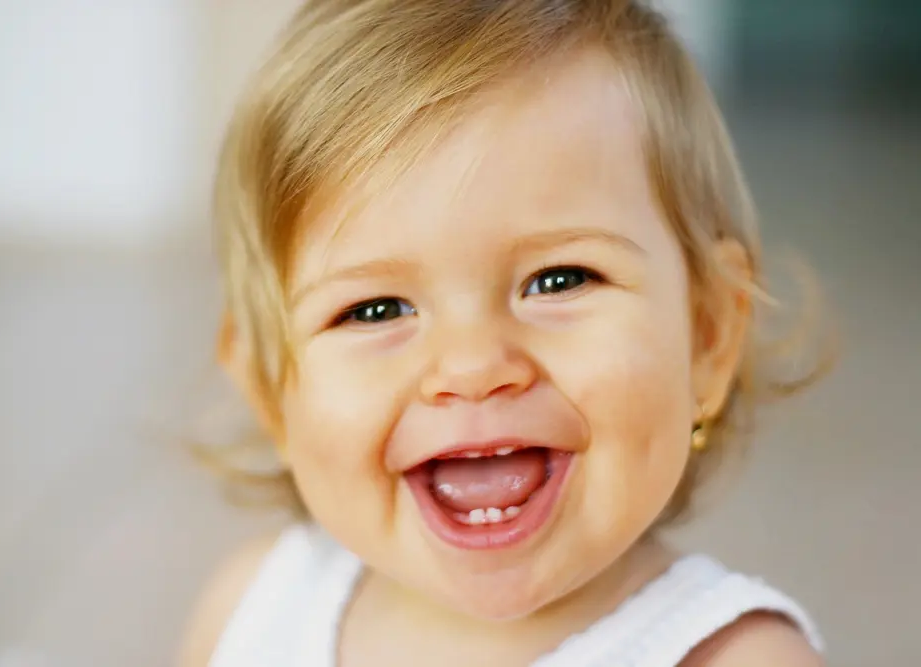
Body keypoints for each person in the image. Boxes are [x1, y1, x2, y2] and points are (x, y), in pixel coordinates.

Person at [181, 1, 829, 665]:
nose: (472, 365)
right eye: (375, 309)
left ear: (707, 336)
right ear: (270, 390)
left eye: (558, 280)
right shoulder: (254, 607)